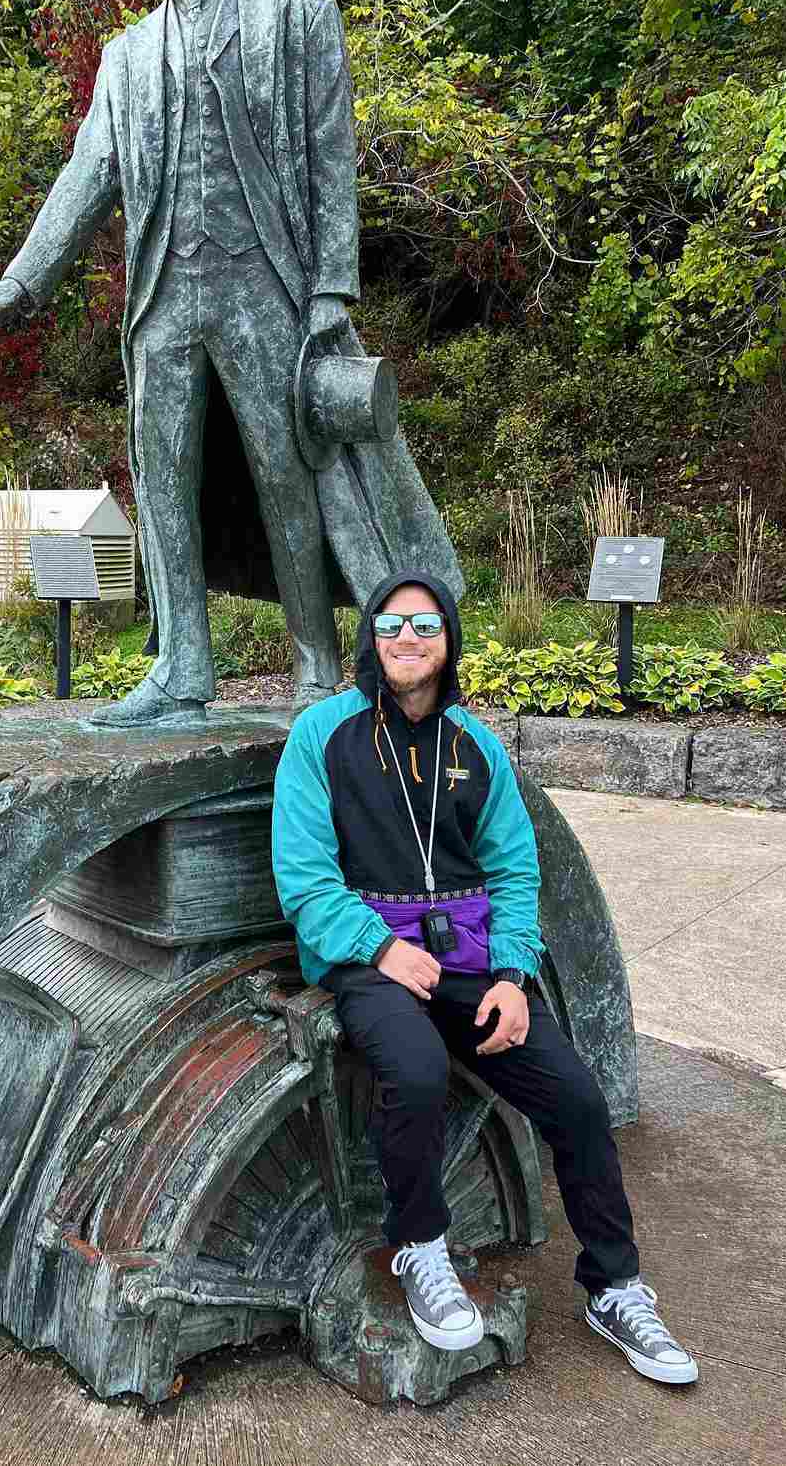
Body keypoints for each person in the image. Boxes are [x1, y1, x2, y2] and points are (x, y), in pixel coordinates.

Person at [0, 0, 459, 725]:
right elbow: (88, 174)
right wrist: (19, 283)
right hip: (159, 300)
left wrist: (332, 290)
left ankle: (313, 669)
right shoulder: (127, 55)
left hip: (263, 288)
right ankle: (184, 662)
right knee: (162, 477)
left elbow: (333, 161)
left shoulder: (297, 21)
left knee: (286, 474)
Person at [271, 571, 699, 1385]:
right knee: (416, 1070)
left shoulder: (475, 744)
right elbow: (303, 874)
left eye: (424, 625)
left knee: (576, 1098)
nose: (406, 639)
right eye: (390, 625)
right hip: (373, 963)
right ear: (371, 638)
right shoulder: (321, 736)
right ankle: (421, 1249)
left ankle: (614, 1288)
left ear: (448, 639)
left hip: (472, 964)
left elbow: (513, 870)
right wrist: (376, 946)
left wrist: (512, 974)